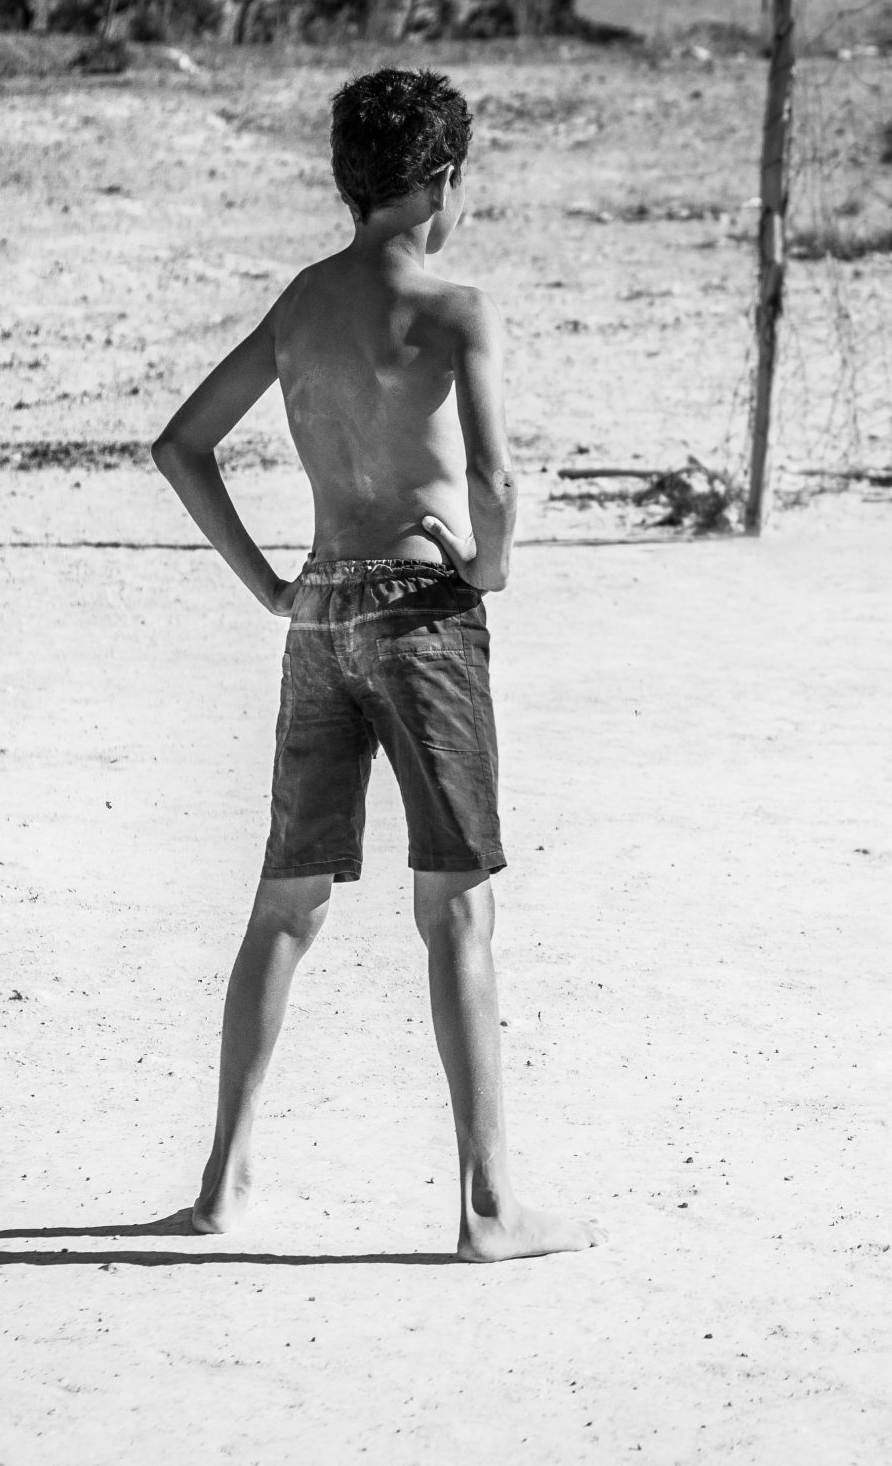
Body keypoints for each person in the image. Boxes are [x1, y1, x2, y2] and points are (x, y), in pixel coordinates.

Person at [151, 67, 595, 1263]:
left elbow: (182, 444)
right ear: (442, 181)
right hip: (421, 618)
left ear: (350, 181)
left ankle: (221, 1185)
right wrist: (490, 566)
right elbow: (493, 479)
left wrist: (269, 586)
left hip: (321, 615)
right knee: (457, 909)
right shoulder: (455, 309)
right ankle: (490, 1209)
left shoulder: (302, 301)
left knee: (285, 906)